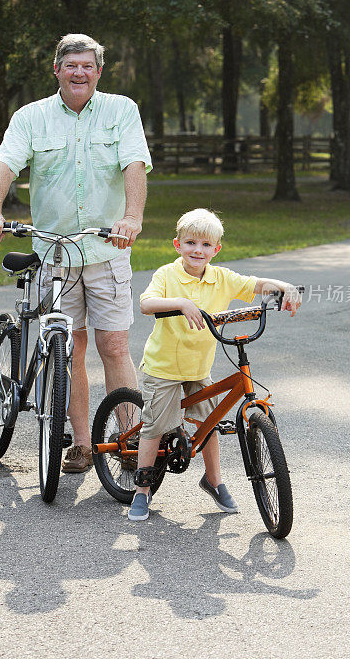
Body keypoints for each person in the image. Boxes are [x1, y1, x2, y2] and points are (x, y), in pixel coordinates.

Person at [0, 33, 152, 473]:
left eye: (87, 65)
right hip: (54, 256)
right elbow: (4, 165)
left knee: (114, 345)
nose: (79, 72)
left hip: (106, 250)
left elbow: (134, 164)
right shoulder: (31, 117)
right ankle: (81, 444)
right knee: (69, 348)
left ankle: (129, 440)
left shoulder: (121, 110)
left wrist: (132, 217)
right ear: (56, 69)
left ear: (99, 72)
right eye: (70, 64)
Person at [128, 208, 301, 521]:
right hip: (163, 367)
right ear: (177, 245)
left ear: (216, 249)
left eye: (206, 245)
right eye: (191, 243)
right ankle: (142, 489)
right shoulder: (167, 275)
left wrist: (283, 287)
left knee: (210, 426)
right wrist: (180, 303)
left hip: (197, 368)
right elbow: (145, 303)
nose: (198, 250)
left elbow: (256, 283)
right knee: (154, 426)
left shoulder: (222, 278)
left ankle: (213, 480)